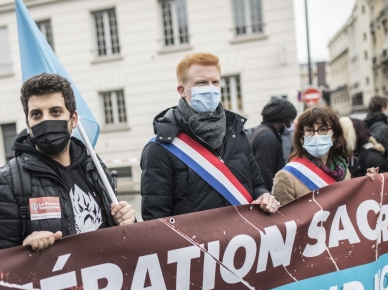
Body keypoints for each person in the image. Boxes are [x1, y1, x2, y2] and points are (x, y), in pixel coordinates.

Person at [0, 73, 135, 254]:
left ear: (74, 119)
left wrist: (127, 221)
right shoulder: (6, 182)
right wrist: (24, 249)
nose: (46, 121)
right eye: (36, 114)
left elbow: (123, 240)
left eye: (55, 112)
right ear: (28, 124)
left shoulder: (94, 168)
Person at [140, 52, 279, 220]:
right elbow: (156, 220)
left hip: (241, 241)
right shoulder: (161, 147)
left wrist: (264, 196)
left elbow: (257, 185)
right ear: (182, 91)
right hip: (196, 245)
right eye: (201, 83)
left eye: (215, 82)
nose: (210, 89)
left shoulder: (237, 133)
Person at [272, 106, 351, 206]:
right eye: (309, 131)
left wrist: (368, 181)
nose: (316, 136)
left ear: (334, 136)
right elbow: (283, 219)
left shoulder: (344, 171)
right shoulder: (287, 176)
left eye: (323, 129)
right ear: (301, 138)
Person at [250, 98, 298, 191]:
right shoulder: (267, 137)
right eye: (291, 120)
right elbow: (265, 173)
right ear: (283, 119)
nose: (292, 124)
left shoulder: (262, 132)